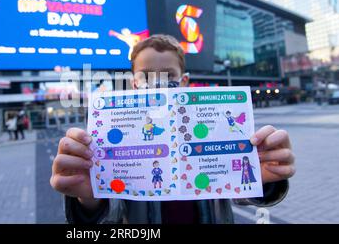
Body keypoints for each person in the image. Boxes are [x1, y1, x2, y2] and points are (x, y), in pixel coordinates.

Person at [50, 34, 296, 224]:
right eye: (147, 76)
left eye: (168, 75)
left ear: (185, 81)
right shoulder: (114, 133)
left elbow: (239, 191)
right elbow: (113, 209)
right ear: (134, 83)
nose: (159, 83)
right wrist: (88, 199)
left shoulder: (211, 126)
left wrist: (261, 177)